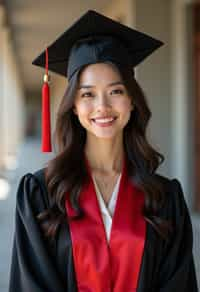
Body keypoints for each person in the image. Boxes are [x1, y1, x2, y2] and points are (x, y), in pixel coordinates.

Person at [9, 10, 198, 292]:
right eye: (87, 94)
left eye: (116, 91)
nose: (102, 107)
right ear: (73, 106)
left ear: (132, 101)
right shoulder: (41, 193)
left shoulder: (164, 198)